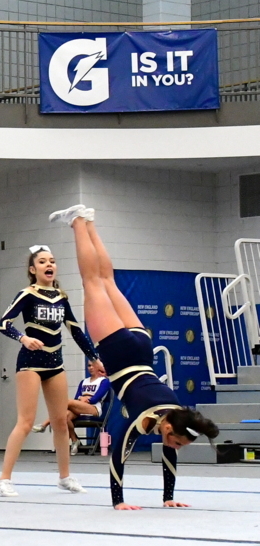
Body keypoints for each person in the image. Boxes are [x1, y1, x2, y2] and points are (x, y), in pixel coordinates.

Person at [58, 204, 218, 509]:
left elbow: (169, 455)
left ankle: (90, 222)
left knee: (108, 281)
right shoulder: (146, 421)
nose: (175, 448)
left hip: (142, 348)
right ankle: (77, 222)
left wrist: (168, 498)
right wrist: (118, 502)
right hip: (120, 352)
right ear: (169, 429)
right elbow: (118, 455)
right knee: (93, 282)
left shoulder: (175, 413)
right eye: (177, 442)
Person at [0, 244, 102, 497]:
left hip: (55, 363)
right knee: (25, 422)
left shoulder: (61, 297)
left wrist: (94, 358)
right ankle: (4, 479)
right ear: (33, 270)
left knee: (61, 421)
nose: (49, 264)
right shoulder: (27, 294)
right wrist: (23, 338)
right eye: (42, 262)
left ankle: (64, 477)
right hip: (30, 363)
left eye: (51, 261)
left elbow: (76, 330)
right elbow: (3, 323)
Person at [34, 359, 111, 454]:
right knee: (65, 416)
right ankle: (75, 440)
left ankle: (45, 424)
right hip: (79, 407)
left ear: (99, 367)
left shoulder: (104, 381)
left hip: (93, 408)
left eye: (93, 365)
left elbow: (95, 399)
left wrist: (84, 399)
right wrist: (82, 400)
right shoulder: (84, 382)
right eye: (89, 365)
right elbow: (76, 398)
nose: (90, 368)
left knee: (66, 401)